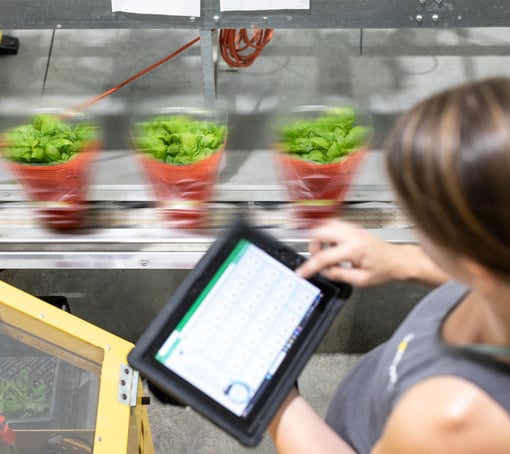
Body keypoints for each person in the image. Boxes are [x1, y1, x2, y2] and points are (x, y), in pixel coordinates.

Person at [268, 77, 510, 453]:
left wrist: (270, 393)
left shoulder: (453, 417)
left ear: (474, 261)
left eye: (420, 222)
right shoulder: (497, 266)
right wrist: (402, 261)